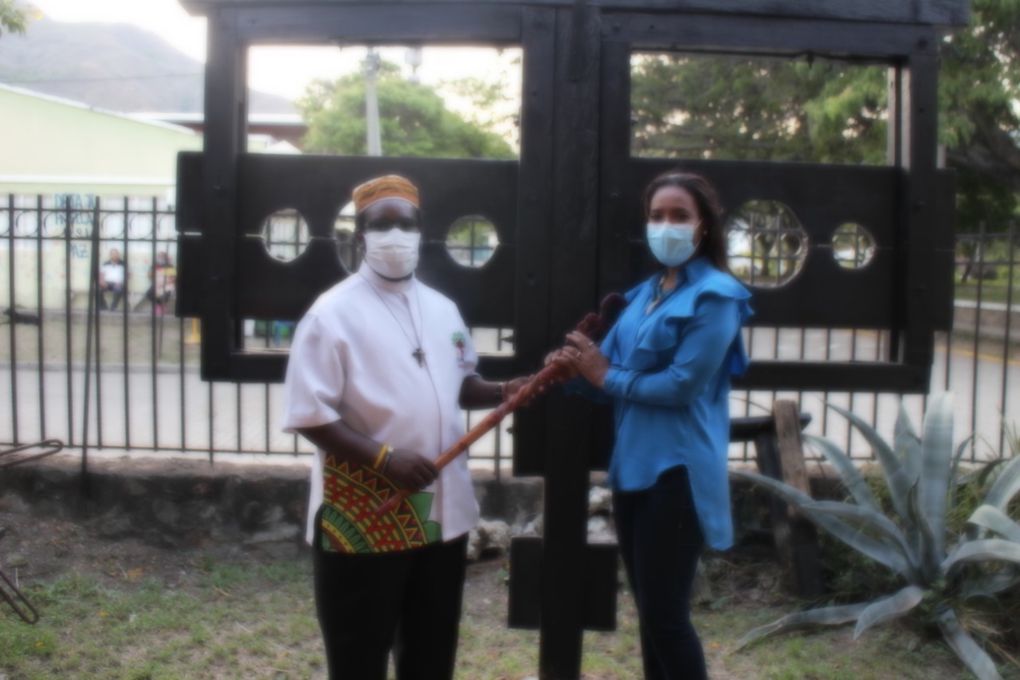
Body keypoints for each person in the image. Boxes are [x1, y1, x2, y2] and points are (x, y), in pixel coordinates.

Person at [281, 175, 529, 680]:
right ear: (359, 238)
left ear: (422, 233)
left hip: (440, 511)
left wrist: (505, 391)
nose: (395, 234)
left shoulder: (442, 308)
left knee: (431, 653)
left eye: (406, 224)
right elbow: (311, 415)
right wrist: (384, 460)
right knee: (358, 657)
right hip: (367, 510)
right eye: (381, 224)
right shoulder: (330, 315)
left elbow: (460, 384)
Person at [548, 170, 751, 680]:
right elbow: (605, 371)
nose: (667, 225)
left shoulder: (718, 297)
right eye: (657, 215)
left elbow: (682, 385)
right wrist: (573, 370)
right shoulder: (645, 293)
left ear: (703, 225)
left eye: (679, 216)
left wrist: (604, 373)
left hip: (678, 474)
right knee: (651, 616)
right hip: (634, 471)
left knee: (667, 619)